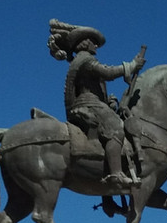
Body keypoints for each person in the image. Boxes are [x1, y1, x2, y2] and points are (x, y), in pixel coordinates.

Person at [48, 19, 145, 186]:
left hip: (92, 102)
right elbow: (107, 73)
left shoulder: (81, 60)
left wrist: (108, 102)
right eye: (93, 42)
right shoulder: (85, 59)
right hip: (87, 104)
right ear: (84, 43)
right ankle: (116, 174)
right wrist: (131, 65)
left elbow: (93, 86)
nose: (96, 46)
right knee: (115, 127)